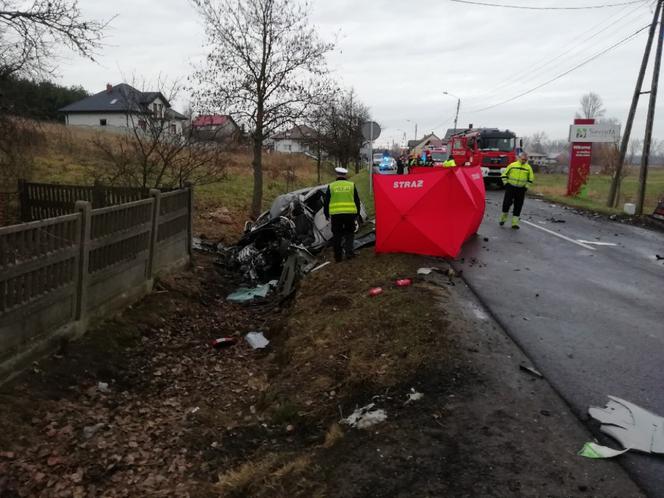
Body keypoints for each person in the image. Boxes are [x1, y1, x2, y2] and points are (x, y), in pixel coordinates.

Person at [324, 167, 362, 262]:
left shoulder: (331, 186)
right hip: (349, 214)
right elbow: (357, 201)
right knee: (349, 233)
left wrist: (326, 214)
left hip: (336, 215)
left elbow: (326, 202)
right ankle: (349, 253)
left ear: (337, 175)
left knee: (337, 235)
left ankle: (338, 257)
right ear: (345, 175)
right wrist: (357, 213)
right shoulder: (351, 185)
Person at [500, 152, 534, 229]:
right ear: (519, 158)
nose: (524, 161)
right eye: (522, 159)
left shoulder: (528, 168)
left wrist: (526, 187)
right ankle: (502, 219)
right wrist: (506, 184)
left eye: (525, 160)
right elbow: (504, 175)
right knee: (506, 204)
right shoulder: (512, 165)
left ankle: (514, 223)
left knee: (518, 206)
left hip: (521, 189)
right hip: (510, 187)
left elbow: (531, 178)